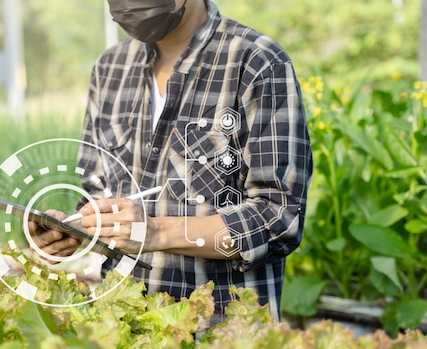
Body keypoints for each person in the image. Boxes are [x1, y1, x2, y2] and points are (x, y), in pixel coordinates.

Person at [30, 0, 312, 325]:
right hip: (123, 332)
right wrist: (73, 230)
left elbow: (278, 218)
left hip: (220, 338)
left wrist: (156, 232)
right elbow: (98, 194)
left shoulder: (256, 62)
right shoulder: (110, 69)